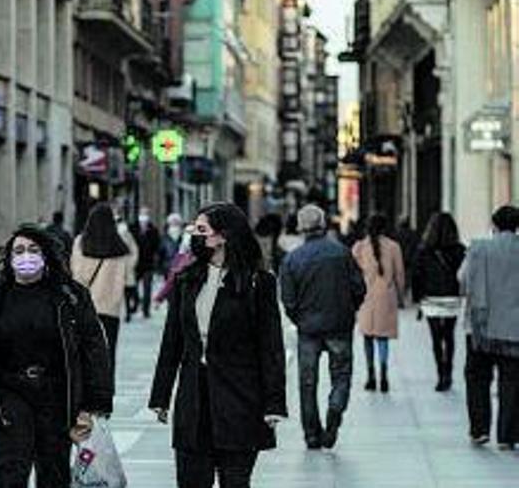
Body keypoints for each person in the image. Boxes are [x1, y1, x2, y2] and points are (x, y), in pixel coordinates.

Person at [0, 224, 113, 488]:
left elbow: (94, 348)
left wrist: (96, 402)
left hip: (57, 397)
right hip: (9, 395)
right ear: (9, 259)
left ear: (46, 256)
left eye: (33, 250)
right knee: (11, 471)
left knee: (54, 472)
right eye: (19, 251)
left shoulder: (70, 296)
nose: (26, 256)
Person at [149, 203, 286, 488]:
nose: (195, 236)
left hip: (240, 399)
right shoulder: (187, 279)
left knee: (235, 481)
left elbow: (270, 347)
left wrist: (274, 403)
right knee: (190, 480)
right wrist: (160, 395)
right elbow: (172, 341)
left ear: (223, 235)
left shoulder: (258, 283)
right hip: (194, 400)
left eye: (202, 230)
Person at [280, 205, 366, 450]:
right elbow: (359, 288)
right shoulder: (341, 253)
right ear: (323, 224)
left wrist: (299, 319)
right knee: (341, 375)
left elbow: (287, 299)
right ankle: (335, 410)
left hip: (308, 329)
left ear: (301, 228)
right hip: (339, 324)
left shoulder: (292, 259)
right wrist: (349, 309)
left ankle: (311, 434)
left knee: (307, 382)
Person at [459, 205, 519, 450]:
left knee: (477, 377)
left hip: (480, 327)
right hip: (514, 328)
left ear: (494, 225)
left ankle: (480, 429)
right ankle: (507, 435)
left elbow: (462, 280)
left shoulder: (479, 248)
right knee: (512, 381)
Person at [72, 204, 133, 381]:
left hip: (86, 306)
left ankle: (87, 387)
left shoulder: (81, 242)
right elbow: (129, 276)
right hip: (111, 308)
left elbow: (77, 275)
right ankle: (106, 388)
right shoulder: (120, 245)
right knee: (109, 350)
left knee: (85, 350)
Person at [412, 213, 465, 392]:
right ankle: (448, 371)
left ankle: (440, 374)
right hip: (451, 297)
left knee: (436, 338)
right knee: (449, 336)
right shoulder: (459, 250)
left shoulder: (423, 250)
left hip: (431, 299)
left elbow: (416, 276)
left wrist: (417, 299)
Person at [353, 213, 405, 393]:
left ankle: (370, 376)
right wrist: (401, 296)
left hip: (366, 298)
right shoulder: (394, 247)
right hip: (386, 296)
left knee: (368, 337)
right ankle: (384, 374)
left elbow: (352, 275)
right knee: (382, 338)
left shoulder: (359, 247)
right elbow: (399, 274)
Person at [130, 206, 161, 319]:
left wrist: (156, 260)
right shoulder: (133, 227)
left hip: (148, 263)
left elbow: (157, 245)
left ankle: (146, 310)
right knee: (132, 286)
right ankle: (136, 302)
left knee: (147, 288)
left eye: (146, 214)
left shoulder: (153, 229)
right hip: (135, 263)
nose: (144, 216)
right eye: (142, 214)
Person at [395, 216, 421, 298]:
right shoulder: (414, 234)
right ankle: (406, 293)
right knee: (408, 278)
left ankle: (401, 294)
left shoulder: (396, 234)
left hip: (400, 259)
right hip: (410, 260)